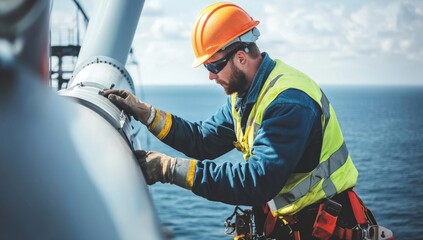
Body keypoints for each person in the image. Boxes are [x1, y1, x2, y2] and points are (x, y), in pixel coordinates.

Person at [102, 2, 393, 239]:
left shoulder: (289, 103)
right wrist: (147, 113)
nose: (210, 76)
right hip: (293, 223)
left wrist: (167, 168)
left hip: (324, 226)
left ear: (241, 57)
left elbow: (256, 183)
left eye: (214, 66)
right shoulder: (245, 96)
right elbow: (203, 140)